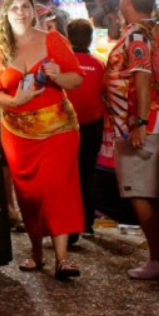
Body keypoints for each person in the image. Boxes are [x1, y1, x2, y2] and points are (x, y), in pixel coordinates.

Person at [0, 0, 84, 279]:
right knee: (29, 194)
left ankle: (62, 260)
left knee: (59, 189)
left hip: (59, 129)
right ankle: (37, 253)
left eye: (26, 6)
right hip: (16, 132)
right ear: (5, 13)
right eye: (14, 8)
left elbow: (75, 78)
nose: (21, 12)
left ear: (34, 9)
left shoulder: (53, 39)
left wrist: (56, 76)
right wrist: (13, 102)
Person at [103, 0, 159, 279]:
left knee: (140, 192)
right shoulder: (158, 30)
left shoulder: (136, 34)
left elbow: (142, 77)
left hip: (142, 124)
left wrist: (139, 123)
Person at [65, 18, 105, 242]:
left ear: (68, 37)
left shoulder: (63, 63)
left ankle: (70, 227)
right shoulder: (98, 64)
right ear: (90, 38)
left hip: (67, 126)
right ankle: (88, 223)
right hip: (93, 125)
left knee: (69, 176)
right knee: (87, 174)